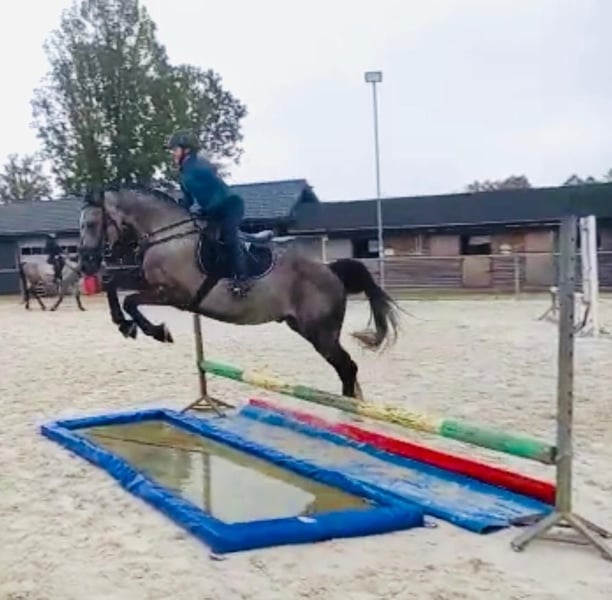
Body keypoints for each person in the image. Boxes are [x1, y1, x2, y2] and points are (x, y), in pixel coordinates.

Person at [166, 130, 248, 297]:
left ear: (187, 150)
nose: (172, 153)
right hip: (213, 211)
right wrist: (174, 210)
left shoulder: (200, 165)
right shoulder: (183, 173)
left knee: (229, 237)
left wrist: (205, 210)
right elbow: (188, 200)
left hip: (230, 207)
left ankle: (242, 280)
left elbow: (218, 193)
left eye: (175, 149)